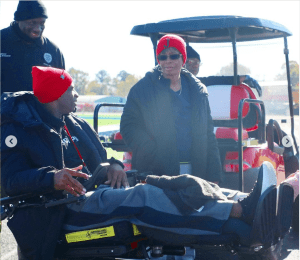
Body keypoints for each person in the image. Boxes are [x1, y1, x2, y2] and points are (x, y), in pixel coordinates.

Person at [1, 66, 278, 260]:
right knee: (146, 196)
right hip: (64, 208)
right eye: (71, 89)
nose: (76, 94)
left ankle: (246, 202)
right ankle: (239, 214)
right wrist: (52, 178)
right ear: (53, 96)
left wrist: (115, 165)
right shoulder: (19, 131)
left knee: (168, 181)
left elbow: (105, 158)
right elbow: (11, 181)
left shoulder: (74, 123)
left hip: (99, 189)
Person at [120, 34, 222, 184]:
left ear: (183, 59)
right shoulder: (141, 89)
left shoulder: (198, 91)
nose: (168, 61)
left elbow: (208, 135)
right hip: (155, 172)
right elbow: (128, 126)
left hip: (196, 171)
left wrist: (214, 177)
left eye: (173, 56)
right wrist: (149, 149)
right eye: (162, 57)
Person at [1, 0, 65, 94]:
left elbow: (62, 88)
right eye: (32, 23)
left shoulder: (53, 51)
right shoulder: (2, 40)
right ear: (18, 20)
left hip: (39, 108)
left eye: (42, 23)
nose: (37, 29)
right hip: (3, 108)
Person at [185, 45, 262, 96]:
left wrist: (242, 78)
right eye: (191, 61)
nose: (195, 65)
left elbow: (215, 80)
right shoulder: (178, 82)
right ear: (182, 63)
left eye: (197, 62)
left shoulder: (198, 82)